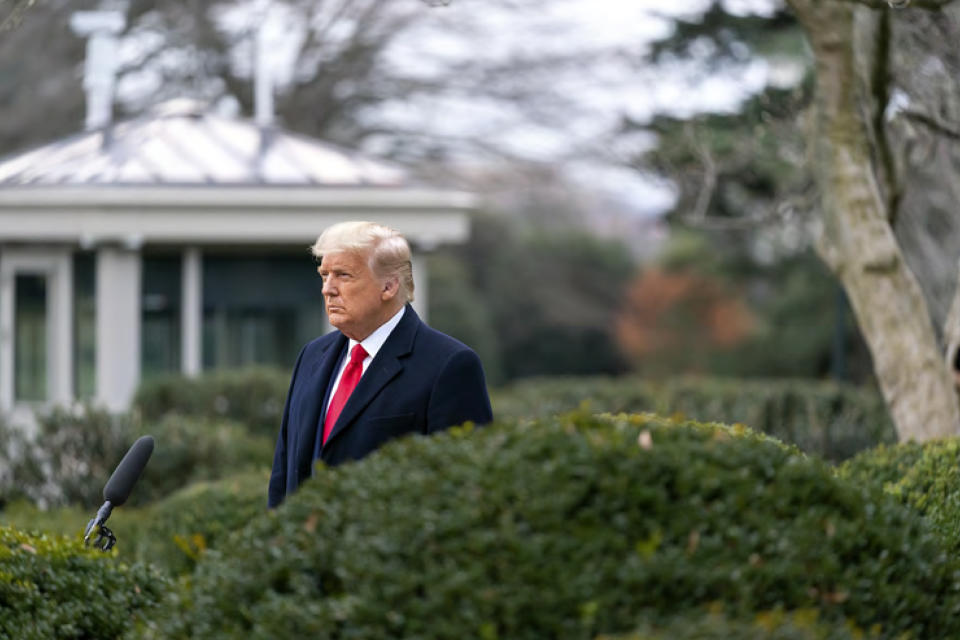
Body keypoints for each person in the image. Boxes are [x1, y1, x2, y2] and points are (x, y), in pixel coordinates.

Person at [268, 221, 493, 508]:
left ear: (389, 286)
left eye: (343, 276)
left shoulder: (450, 365)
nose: (328, 289)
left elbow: (465, 488)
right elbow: (283, 474)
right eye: (324, 275)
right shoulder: (312, 356)